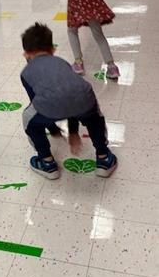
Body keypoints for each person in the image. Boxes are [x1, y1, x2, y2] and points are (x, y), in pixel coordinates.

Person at [21, 22, 118, 180]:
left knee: (28, 119)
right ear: (52, 49)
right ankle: (104, 158)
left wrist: (53, 130)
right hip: (85, 100)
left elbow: (38, 103)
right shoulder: (62, 62)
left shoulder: (26, 73)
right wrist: (73, 132)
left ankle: (47, 163)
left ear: (26, 54)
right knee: (95, 118)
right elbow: (70, 95)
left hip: (49, 107)